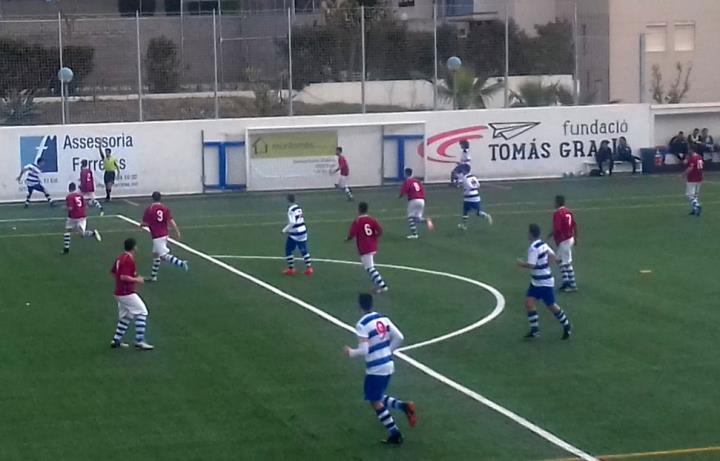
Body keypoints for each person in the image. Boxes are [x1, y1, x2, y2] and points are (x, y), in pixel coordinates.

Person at [344, 293, 416, 445]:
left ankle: (395, 433)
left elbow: (364, 350)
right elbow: (400, 337)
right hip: (388, 364)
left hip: (375, 368)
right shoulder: (384, 319)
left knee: (373, 400)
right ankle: (404, 406)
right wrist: (388, 351)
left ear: (359, 306)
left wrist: (351, 352)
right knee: (376, 395)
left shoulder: (362, 324)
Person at [516, 224, 572, 340]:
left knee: (551, 305)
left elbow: (531, 264)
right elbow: (552, 255)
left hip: (543, 282)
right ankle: (535, 330)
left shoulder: (533, 248)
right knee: (529, 303)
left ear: (531, 234)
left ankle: (566, 325)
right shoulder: (543, 244)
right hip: (537, 281)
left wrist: (521, 264)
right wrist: (546, 265)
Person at [110, 238, 153, 350]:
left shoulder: (120, 258)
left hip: (119, 292)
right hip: (126, 293)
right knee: (142, 311)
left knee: (127, 316)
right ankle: (140, 340)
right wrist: (136, 280)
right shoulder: (128, 260)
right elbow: (123, 276)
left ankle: (116, 340)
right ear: (134, 247)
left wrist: (134, 278)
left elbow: (114, 273)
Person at [141, 192, 189, 282]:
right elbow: (171, 221)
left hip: (157, 235)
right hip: (164, 233)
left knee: (163, 255)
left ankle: (181, 263)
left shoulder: (150, 209)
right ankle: (153, 276)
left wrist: (142, 225)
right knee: (156, 255)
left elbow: (145, 222)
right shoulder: (164, 208)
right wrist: (177, 231)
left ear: (152, 198)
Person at [347, 202, 388, 293]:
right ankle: (378, 286)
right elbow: (380, 231)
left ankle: (382, 285)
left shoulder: (358, 221)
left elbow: (352, 234)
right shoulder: (371, 219)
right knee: (369, 268)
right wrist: (373, 237)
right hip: (372, 245)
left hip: (364, 247)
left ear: (359, 210)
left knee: (370, 268)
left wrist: (347, 239)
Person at [63, 182, 102, 254]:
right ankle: (66, 249)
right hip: (81, 216)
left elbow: (70, 208)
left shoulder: (69, 197)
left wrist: (65, 208)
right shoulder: (80, 196)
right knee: (80, 234)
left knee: (68, 231)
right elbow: (85, 206)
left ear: (69, 189)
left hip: (73, 217)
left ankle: (92, 233)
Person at [550, 195, 578, 292]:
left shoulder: (558, 213)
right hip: (570, 238)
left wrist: (551, 235)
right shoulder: (568, 211)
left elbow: (557, 228)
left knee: (566, 262)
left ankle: (573, 285)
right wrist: (576, 237)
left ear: (557, 203)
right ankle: (566, 281)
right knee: (559, 260)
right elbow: (574, 224)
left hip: (564, 240)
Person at [282, 194, 313, 276]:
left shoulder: (291, 210)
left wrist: (284, 230)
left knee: (288, 249)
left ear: (288, 200)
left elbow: (292, 222)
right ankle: (309, 268)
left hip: (295, 233)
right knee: (304, 249)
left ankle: (291, 269)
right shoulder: (298, 208)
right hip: (303, 230)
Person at [399, 168, 433, 239]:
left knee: (410, 217)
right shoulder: (418, 182)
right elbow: (422, 190)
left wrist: (399, 196)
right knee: (417, 218)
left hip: (413, 200)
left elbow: (403, 191)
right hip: (421, 200)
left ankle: (414, 234)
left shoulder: (407, 181)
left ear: (406, 174)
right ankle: (427, 220)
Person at [457, 163, 493, 230]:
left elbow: (469, 187)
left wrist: (465, 193)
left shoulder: (465, 178)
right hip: (476, 195)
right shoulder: (473, 176)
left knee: (465, 211)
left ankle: (464, 225)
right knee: (477, 212)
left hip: (469, 197)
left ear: (464, 170)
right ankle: (486, 216)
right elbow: (478, 185)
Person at [684, 150, 704, 216]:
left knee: (689, 194)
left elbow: (690, 168)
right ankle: (695, 210)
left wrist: (683, 174)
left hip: (692, 178)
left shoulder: (692, 159)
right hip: (699, 177)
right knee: (695, 195)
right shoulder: (699, 157)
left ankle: (697, 205)